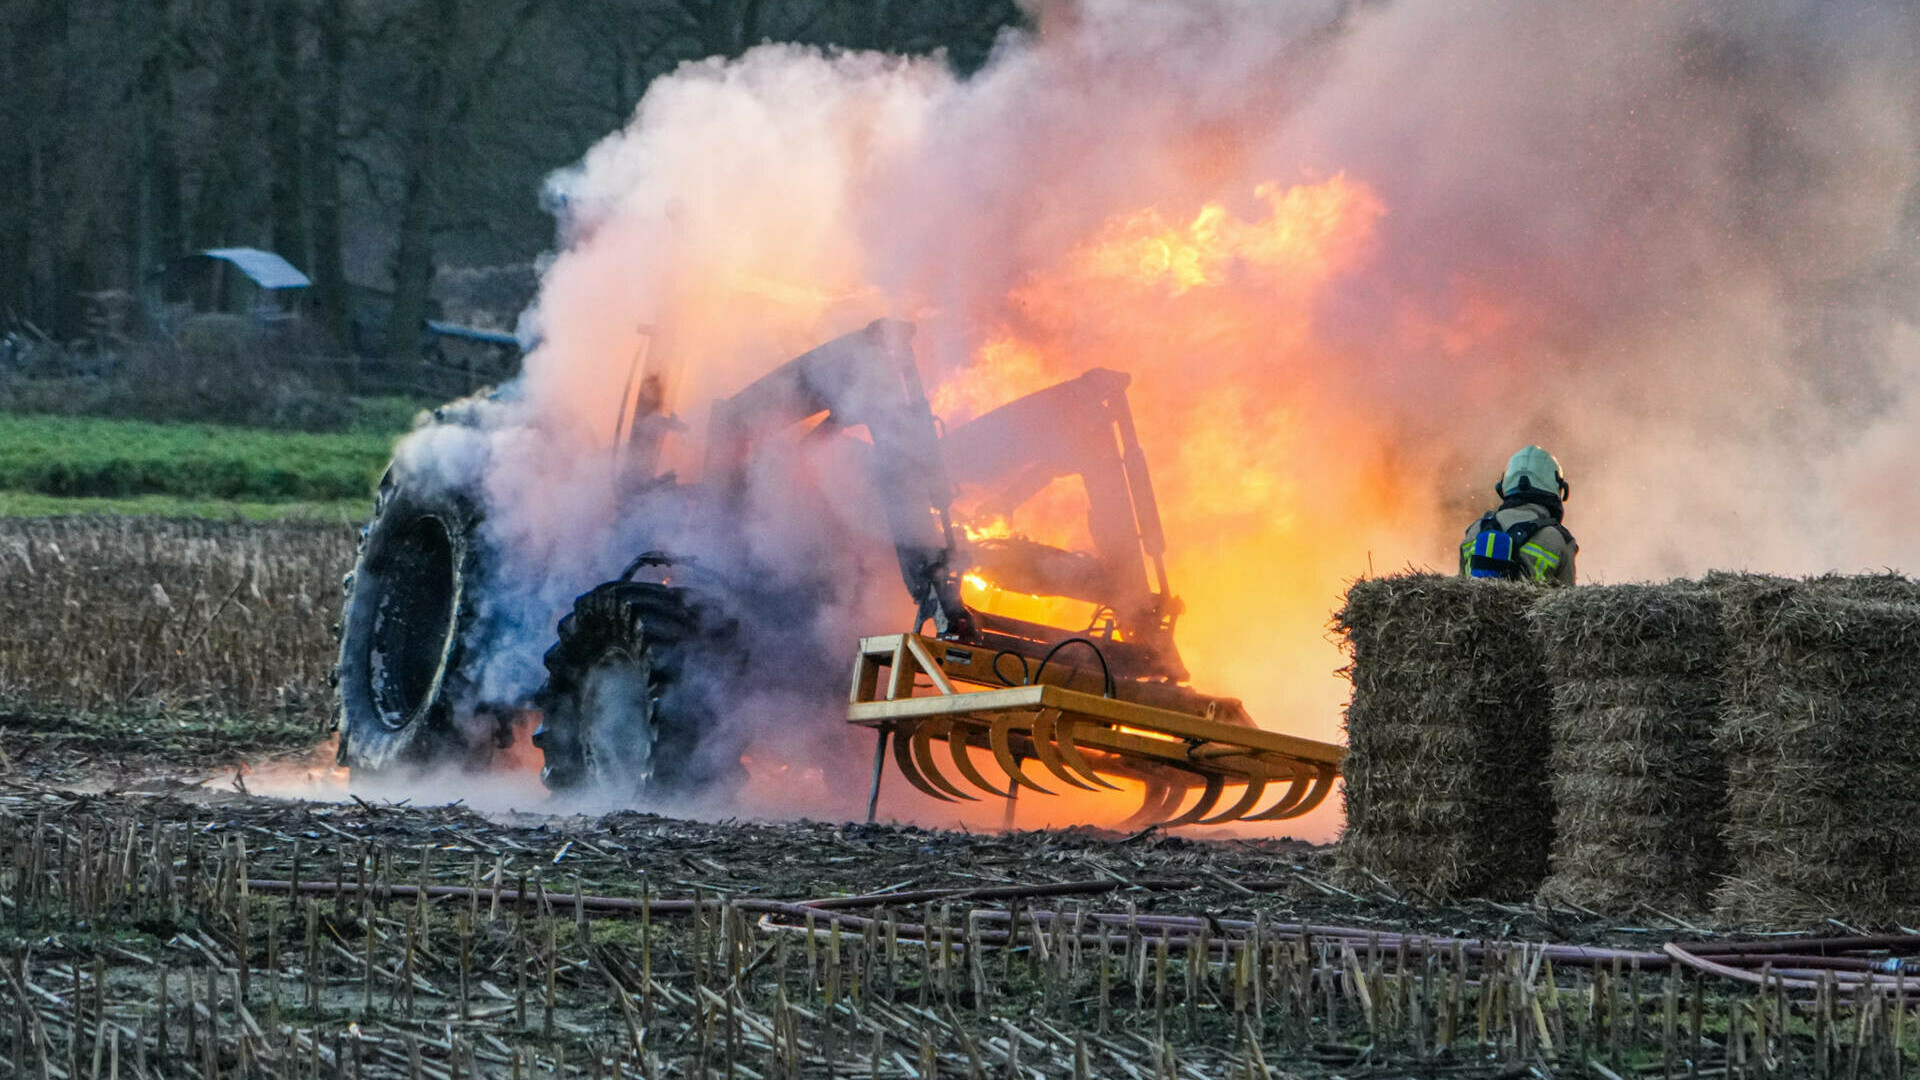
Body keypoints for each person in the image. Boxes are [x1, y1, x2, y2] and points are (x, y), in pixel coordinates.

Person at [1459, 445, 1577, 585]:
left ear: (1503, 485)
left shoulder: (1475, 530)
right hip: (1531, 608)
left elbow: (1460, 593)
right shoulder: (1560, 539)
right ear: (1558, 488)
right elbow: (1567, 600)